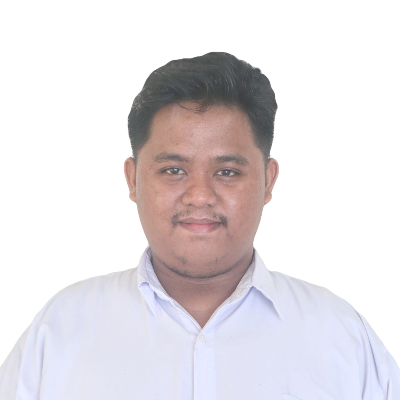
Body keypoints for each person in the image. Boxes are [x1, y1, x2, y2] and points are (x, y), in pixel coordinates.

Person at [1, 51, 399, 399]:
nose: (200, 196)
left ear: (268, 181)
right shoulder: (60, 330)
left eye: (227, 171)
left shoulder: (341, 336)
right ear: (132, 180)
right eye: (174, 170)